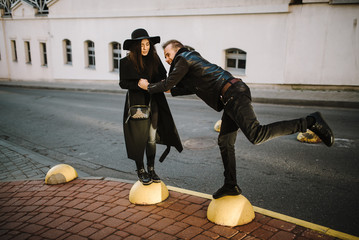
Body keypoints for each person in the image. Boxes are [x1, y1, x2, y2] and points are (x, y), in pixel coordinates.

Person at [138, 39, 334, 198]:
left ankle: (310, 121)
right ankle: (230, 185)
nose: (167, 60)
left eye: (168, 55)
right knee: (224, 141)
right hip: (230, 98)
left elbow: (169, 83)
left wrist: (148, 86)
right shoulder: (190, 69)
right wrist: (162, 87)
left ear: (177, 50)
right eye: (165, 57)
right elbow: (178, 88)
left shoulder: (185, 57)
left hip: (234, 93)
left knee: (257, 135)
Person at [120, 30, 183, 185]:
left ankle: (151, 168)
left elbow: (164, 77)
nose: (145, 48)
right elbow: (123, 83)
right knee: (138, 138)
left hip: (154, 102)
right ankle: (141, 170)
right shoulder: (126, 62)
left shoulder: (154, 59)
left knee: (151, 138)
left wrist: (157, 84)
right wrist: (137, 84)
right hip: (137, 105)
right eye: (142, 45)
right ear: (135, 46)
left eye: (147, 44)